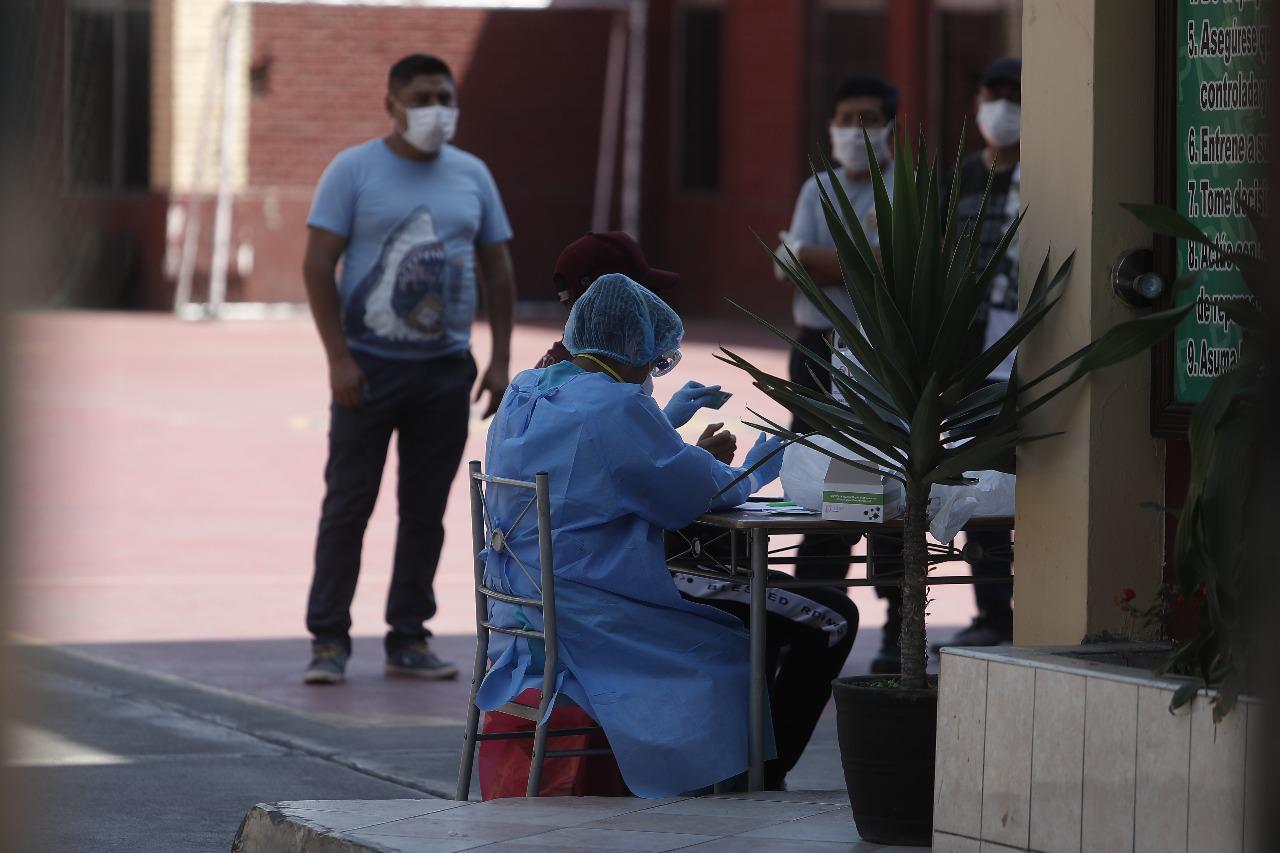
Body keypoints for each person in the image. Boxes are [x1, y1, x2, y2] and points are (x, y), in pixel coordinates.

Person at [478, 274, 792, 797]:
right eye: (652, 363)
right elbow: (692, 496)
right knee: (733, 650)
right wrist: (757, 469)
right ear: (631, 350)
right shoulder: (615, 407)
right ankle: (735, 791)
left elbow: (591, 460)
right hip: (588, 614)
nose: (651, 374)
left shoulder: (527, 389)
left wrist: (665, 423)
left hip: (523, 606)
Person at [300, 53, 516, 684]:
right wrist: (338, 357)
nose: (435, 110)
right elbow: (317, 265)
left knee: (425, 511)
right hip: (366, 370)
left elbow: (498, 270)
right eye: (421, 98)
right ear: (391, 103)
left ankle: (409, 636)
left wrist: (500, 358)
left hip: (445, 372)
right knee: (348, 504)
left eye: (444, 97)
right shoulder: (353, 170)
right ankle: (328, 640)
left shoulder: (472, 175)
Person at [777, 75, 903, 673]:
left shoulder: (907, 188)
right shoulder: (815, 189)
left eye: (869, 117)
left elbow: (886, 269)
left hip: (883, 355)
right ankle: (814, 614)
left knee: (887, 484)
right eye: (845, 115)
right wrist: (847, 264)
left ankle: (902, 621)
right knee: (823, 480)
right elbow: (795, 266)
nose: (855, 129)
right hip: (818, 353)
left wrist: (827, 262)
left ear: (892, 128)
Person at [942, 57, 1022, 648]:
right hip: (973, 358)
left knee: (1034, 482)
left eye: (1014, 97)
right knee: (980, 485)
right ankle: (993, 610)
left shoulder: (1046, 173)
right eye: (992, 95)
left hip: (1033, 350)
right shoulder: (966, 177)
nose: (1002, 108)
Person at [537, 231, 736, 464]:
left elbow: (604, 445)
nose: (651, 317)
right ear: (610, 301)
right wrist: (702, 462)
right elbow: (636, 478)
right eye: (643, 300)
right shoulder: (609, 395)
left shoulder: (536, 382)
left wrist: (662, 421)